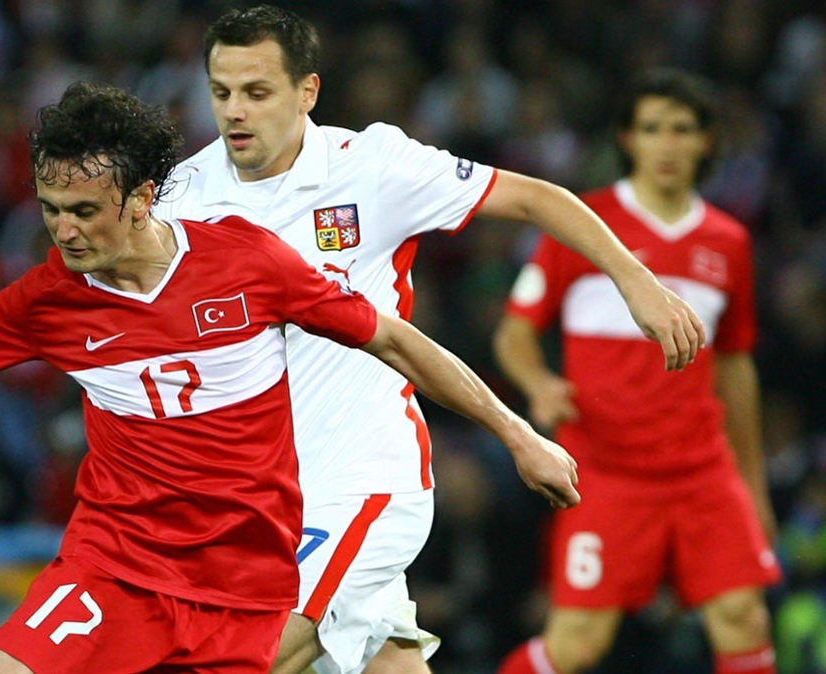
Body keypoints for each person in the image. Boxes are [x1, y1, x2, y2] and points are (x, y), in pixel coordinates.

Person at [0, 81, 581, 674]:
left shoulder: (246, 263)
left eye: (84, 211)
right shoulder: (50, 297)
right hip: (114, 564)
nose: (63, 231)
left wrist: (518, 436)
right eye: (51, 208)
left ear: (142, 198)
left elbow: (397, 342)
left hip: (241, 581)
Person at [150, 6, 706, 674]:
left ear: (307, 92)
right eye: (221, 92)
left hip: (364, 481)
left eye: (257, 92)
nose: (235, 111)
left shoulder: (372, 166)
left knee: (248, 660)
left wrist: (636, 281)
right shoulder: (179, 201)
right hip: (257, 502)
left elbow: (536, 199)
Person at [493, 68, 781, 674]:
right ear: (628, 139)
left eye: (682, 129)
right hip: (605, 470)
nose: (667, 144)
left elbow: (735, 367)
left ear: (707, 141)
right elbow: (514, 334)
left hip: (702, 469)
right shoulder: (582, 225)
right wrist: (539, 384)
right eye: (652, 129)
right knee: (578, 643)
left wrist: (752, 486)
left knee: (744, 618)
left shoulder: (728, 241)